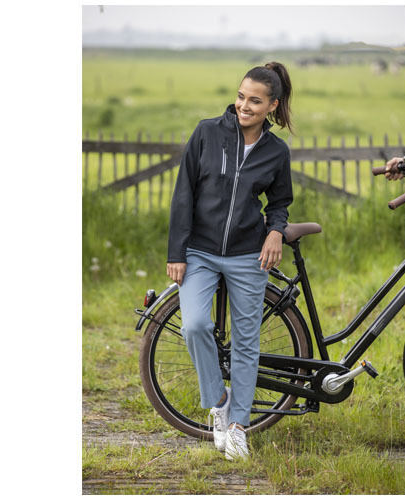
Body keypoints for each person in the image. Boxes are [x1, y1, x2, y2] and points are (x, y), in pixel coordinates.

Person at [166, 62, 294, 460]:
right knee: (194, 325)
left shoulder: (276, 151)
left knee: (246, 343)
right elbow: (183, 193)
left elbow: (280, 202)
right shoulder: (207, 133)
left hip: (247, 255)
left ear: (272, 106)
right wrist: (177, 252)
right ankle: (218, 401)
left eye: (255, 101)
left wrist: (275, 231)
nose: (244, 106)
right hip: (200, 251)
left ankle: (238, 426)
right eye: (241, 97)